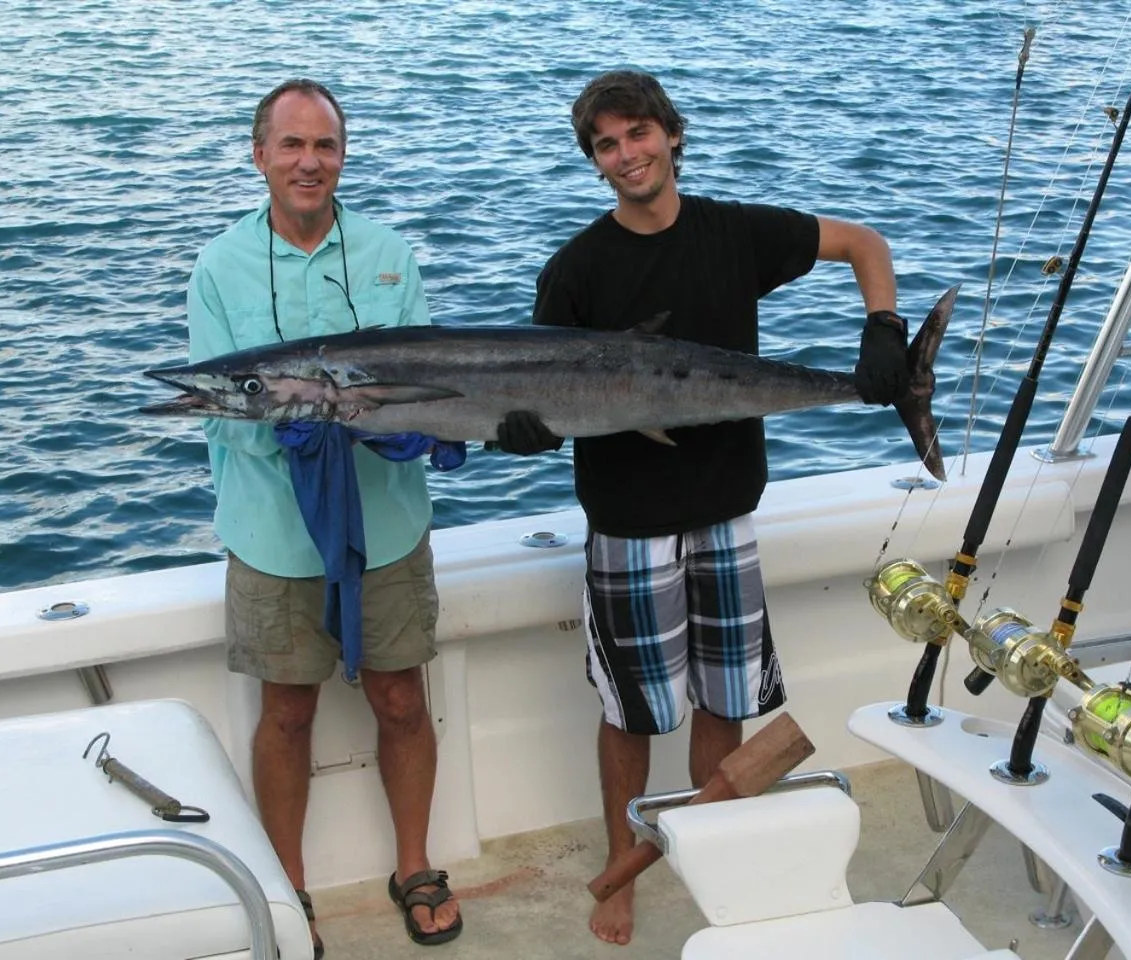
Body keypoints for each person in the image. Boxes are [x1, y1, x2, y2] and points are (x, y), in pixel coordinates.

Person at [494, 69, 911, 945]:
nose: (626, 155)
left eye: (638, 134)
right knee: (631, 712)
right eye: (606, 145)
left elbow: (866, 243)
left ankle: (711, 851)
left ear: (671, 136)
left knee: (726, 701)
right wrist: (521, 431)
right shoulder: (574, 271)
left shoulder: (737, 233)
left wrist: (883, 331)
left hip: (727, 510)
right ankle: (621, 873)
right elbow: (536, 389)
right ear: (595, 162)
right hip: (627, 521)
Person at [185, 79, 462, 954]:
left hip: (386, 523)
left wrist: (422, 431)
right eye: (292, 145)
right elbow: (220, 403)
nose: (310, 162)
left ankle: (414, 865)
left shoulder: (388, 253)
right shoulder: (217, 266)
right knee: (288, 712)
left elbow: (428, 384)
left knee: (401, 700)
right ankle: (287, 887)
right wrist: (297, 436)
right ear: (259, 154)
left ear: (342, 155)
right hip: (271, 528)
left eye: (326, 146)